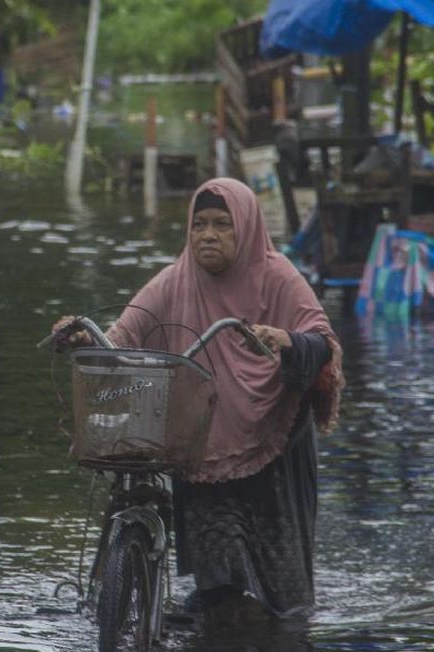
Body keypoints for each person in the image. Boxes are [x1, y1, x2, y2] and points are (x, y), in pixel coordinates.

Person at [53, 178, 344, 621]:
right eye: (199, 224)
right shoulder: (175, 280)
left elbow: (322, 342)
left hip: (275, 444)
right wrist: (83, 338)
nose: (208, 235)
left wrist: (283, 338)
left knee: (285, 599)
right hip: (203, 445)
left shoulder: (278, 276)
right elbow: (125, 335)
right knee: (218, 586)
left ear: (244, 228)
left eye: (222, 225)